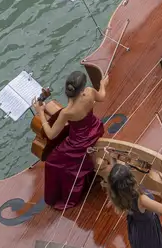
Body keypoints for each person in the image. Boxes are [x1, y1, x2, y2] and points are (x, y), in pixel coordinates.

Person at [31, 71, 108, 210]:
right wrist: (103, 84)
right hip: (95, 129)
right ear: (82, 89)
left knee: (52, 162)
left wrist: (40, 112)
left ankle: (63, 195)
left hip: (79, 142)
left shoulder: (67, 112)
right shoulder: (90, 92)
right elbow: (102, 96)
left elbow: (51, 134)